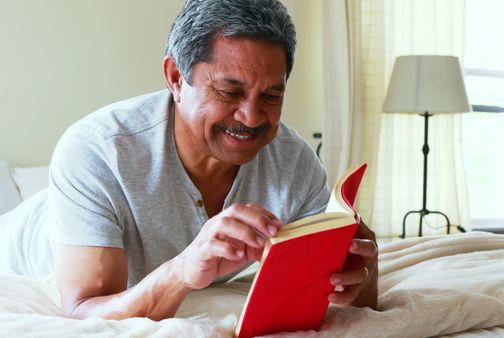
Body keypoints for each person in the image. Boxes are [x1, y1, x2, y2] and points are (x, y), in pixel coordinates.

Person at [48, 0, 378, 321]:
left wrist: (365, 274)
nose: (251, 118)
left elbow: (337, 300)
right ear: (176, 77)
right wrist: (183, 270)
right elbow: (82, 312)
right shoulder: (96, 152)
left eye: (271, 96)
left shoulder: (294, 163)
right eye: (229, 92)